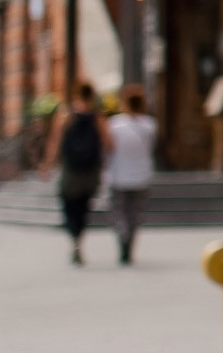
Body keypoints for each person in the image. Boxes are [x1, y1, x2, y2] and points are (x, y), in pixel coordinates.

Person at [47, 82, 105, 266]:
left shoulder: (66, 115)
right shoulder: (97, 118)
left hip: (71, 170)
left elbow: (55, 142)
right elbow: (109, 144)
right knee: (83, 207)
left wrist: (47, 163)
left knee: (69, 205)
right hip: (90, 171)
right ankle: (78, 238)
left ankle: (74, 239)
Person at [105, 85, 158, 264]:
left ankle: (123, 241)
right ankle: (130, 244)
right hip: (141, 175)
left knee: (120, 212)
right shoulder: (150, 124)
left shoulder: (114, 124)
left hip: (119, 175)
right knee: (136, 214)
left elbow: (109, 148)